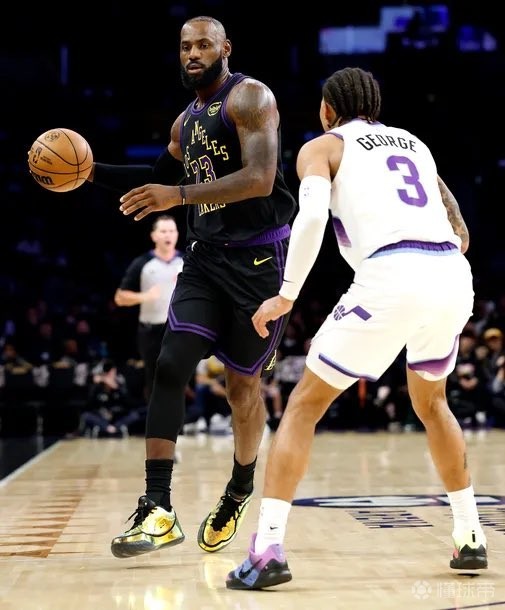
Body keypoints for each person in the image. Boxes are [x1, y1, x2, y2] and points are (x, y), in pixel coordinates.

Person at [226, 66, 488, 590]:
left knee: (304, 405)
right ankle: (470, 535)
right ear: (375, 107)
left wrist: (287, 293)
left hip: (392, 271)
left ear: (327, 110)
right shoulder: (414, 143)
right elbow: (450, 208)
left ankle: (267, 549)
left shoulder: (322, 147)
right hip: (451, 273)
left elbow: (311, 220)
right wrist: (455, 237)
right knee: (433, 403)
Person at [87, 15, 297, 558]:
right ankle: (158, 507)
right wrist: (87, 172)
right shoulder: (186, 123)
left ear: (225, 48)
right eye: (185, 46)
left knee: (241, 389)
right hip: (205, 259)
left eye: (203, 44)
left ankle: (239, 489)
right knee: (169, 364)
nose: (193, 53)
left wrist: (178, 196)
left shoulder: (250, 98)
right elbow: (155, 180)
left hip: (259, 263)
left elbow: (259, 178)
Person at [114, 214, 183, 403]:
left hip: (178, 329)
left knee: (179, 376)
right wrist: (145, 296)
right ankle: (155, 417)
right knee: (154, 377)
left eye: (172, 231)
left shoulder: (185, 262)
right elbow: (120, 297)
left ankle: (179, 418)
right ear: (154, 236)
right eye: (163, 231)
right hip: (151, 331)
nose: (168, 235)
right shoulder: (143, 263)